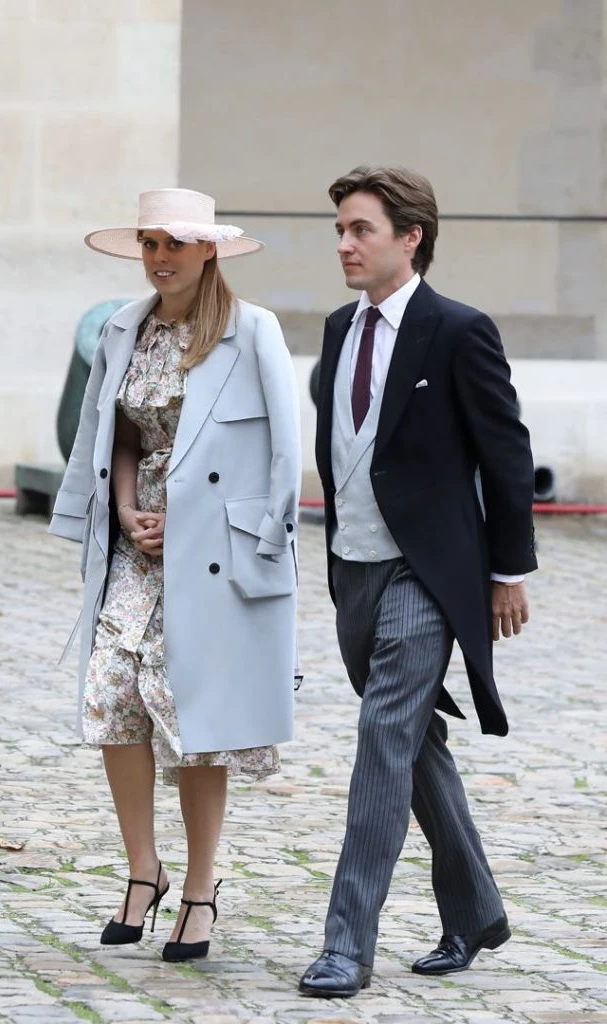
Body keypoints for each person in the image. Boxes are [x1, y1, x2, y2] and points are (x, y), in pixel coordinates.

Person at [299, 166, 537, 999]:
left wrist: (507, 570)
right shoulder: (339, 327)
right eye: (339, 229)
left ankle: (345, 945)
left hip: (426, 576)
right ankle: (475, 911)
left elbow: (505, 454)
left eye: (359, 229)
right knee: (410, 742)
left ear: (410, 237)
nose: (343, 244)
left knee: (381, 739)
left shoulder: (458, 330)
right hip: (353, 570)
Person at [49, 187, 301, 962]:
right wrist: (127, 510)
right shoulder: (125, 328)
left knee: (195, 719)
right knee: (109, 694)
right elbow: (117, 436)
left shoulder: (251, 330)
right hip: (137, 544)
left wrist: (202, 530)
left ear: (208, 250)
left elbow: (281, 453)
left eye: (176, 244)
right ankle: (141, 870)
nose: (160, 258)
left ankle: (198, 888)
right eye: (150, 243)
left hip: (216, 551)